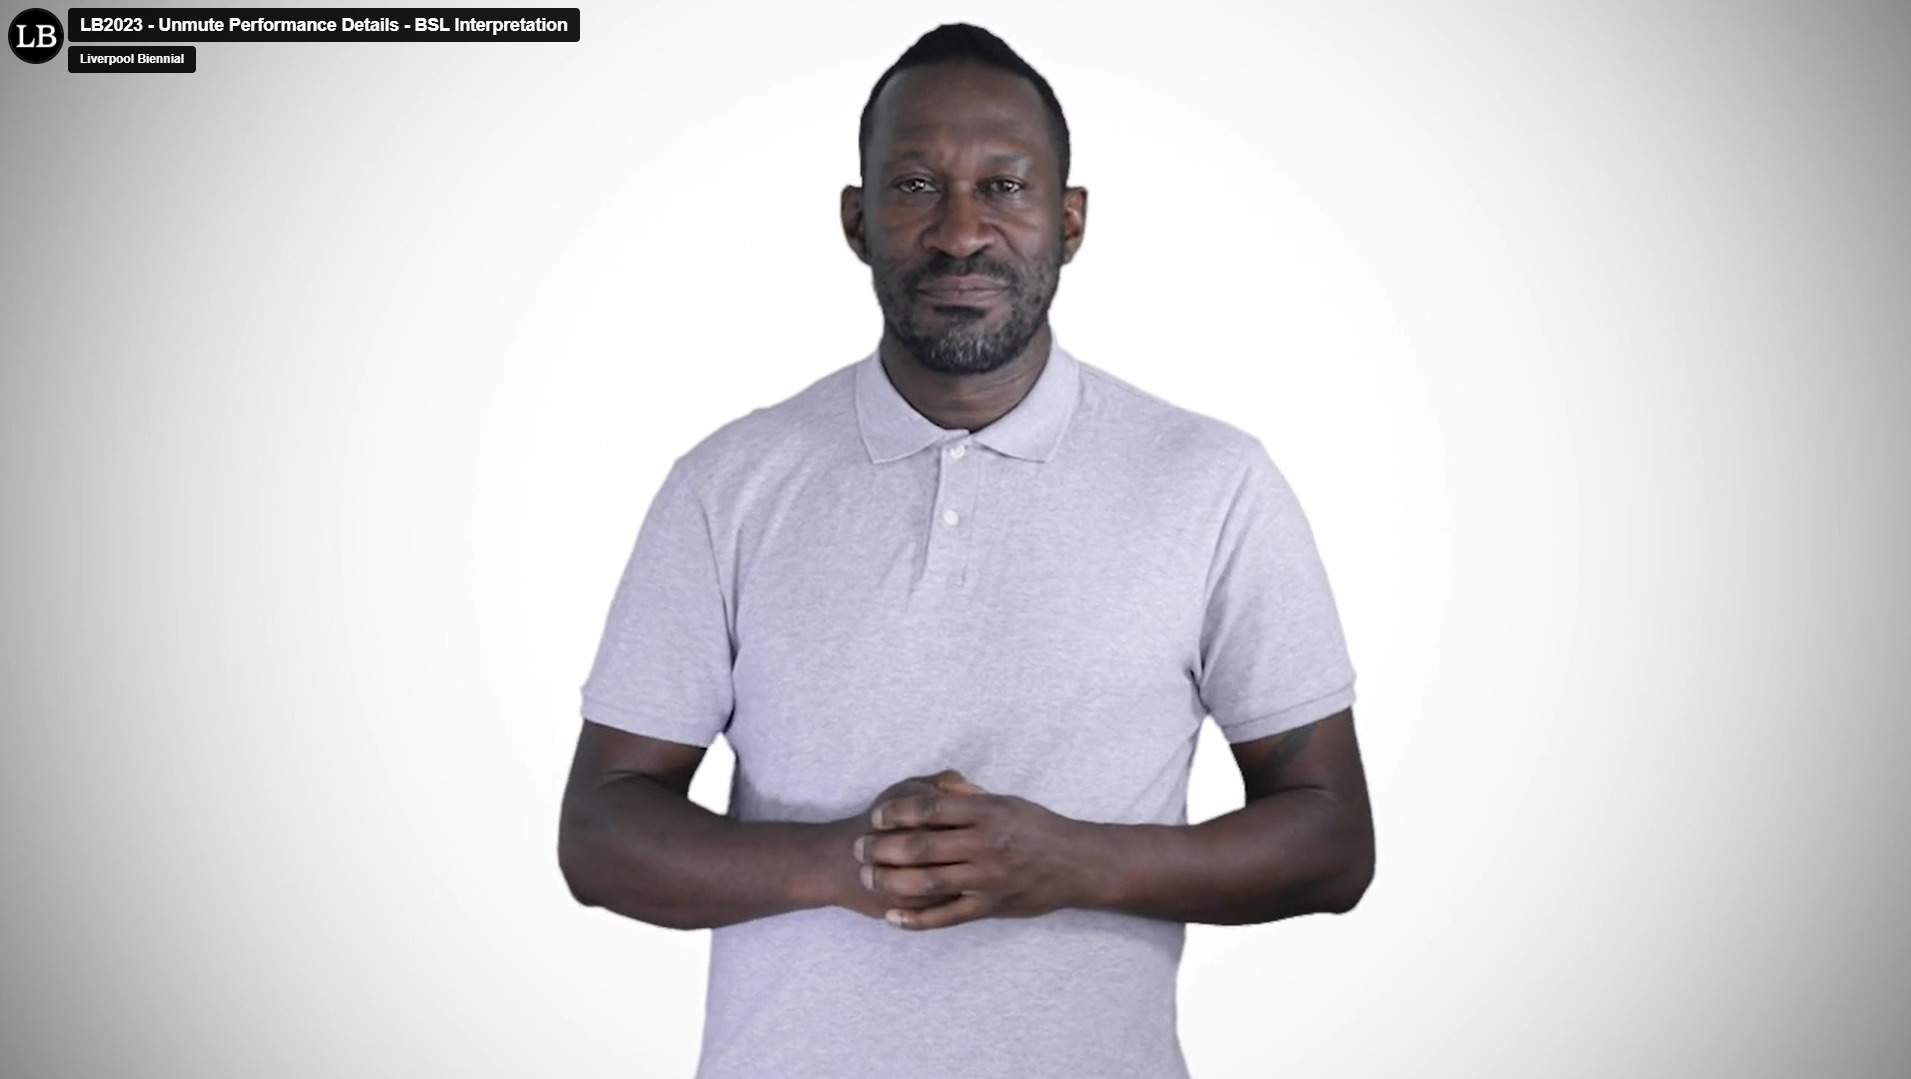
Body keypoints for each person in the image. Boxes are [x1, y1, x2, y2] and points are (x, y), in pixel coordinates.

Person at [559, 23, 1374, 1079]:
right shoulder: (729, 482)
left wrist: (1073, 860)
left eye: (1004, 186)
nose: (959, 232)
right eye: (914, 187)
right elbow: (600, 829)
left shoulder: (1212, 481)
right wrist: (850, 862)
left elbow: (1331, 839)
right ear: (856, 221)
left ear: (1068, 220)